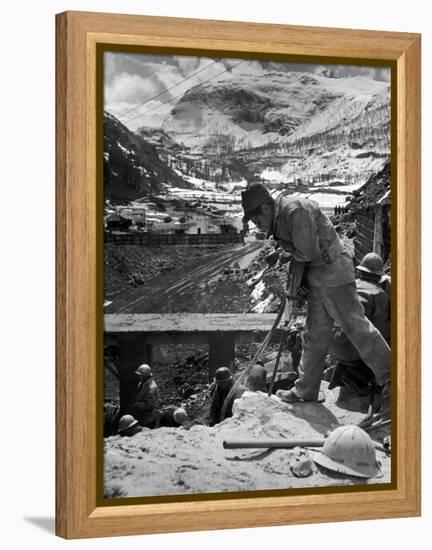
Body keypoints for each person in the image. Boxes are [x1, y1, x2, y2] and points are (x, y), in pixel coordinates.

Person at [241, 183, 391, 420]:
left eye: (256, 220)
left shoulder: (293, 211)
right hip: (319, 278)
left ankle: (393, 382)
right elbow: (303, 254)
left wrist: (290, 270)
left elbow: (307, 252)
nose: (256, 226)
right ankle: (306, 390)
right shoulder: (282, 216)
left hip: (334, 274)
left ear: (266, 209)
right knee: (315, 335)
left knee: (357, 329)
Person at [328, 252, 390, 395]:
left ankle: (343, 378)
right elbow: (378, 332)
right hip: (351, 350)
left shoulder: (349, 286)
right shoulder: (378, 294)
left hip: (329, 343)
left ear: (360, 271)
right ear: (379, 276)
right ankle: (364, 383)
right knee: (382, 351)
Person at [131, 363, 160, 428]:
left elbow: (151, 404)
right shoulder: (142, 383)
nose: (139, 377)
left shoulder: (151, 387)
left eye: (140, 375)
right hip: (143, 415)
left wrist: (138, 405)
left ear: (145, 376)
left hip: (150, 418)